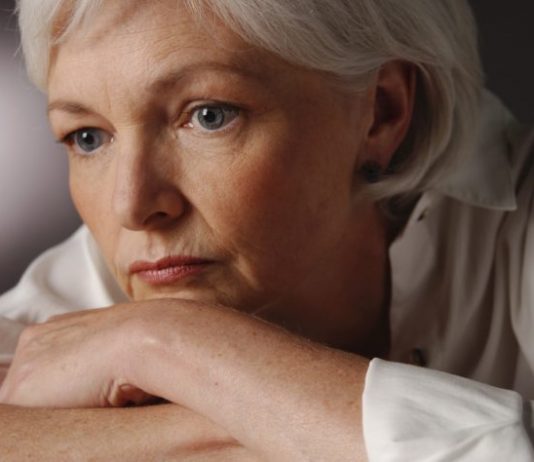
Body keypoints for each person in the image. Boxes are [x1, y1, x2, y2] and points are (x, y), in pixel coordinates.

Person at [0, 0, 532, 460]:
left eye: (209, 116)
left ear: (381, 113)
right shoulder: (43, 325)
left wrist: (159, 343)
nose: (131, 206)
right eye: (88, 137)